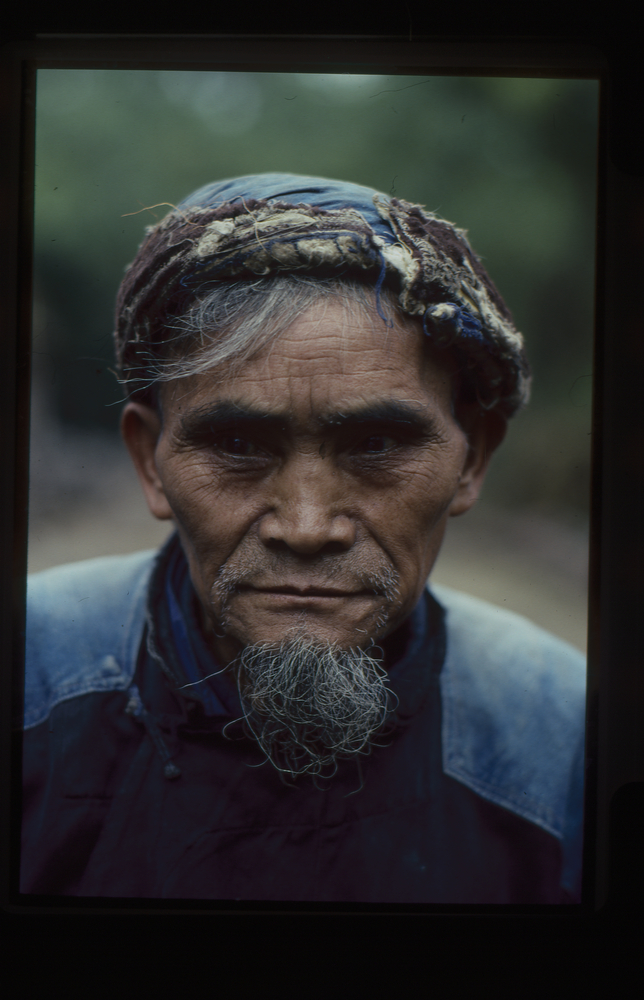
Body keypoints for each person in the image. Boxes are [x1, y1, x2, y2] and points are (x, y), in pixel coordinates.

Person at [20, 173, 586, 903]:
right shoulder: (28, 681)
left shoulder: (566, 740)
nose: (308, 527)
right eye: (236, 445)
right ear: (149, 463)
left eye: (378, 444)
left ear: (471, 458)